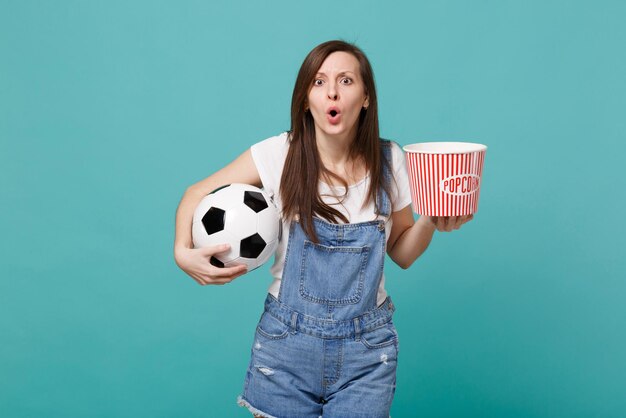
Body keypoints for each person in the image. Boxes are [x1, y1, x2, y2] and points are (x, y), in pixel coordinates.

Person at [174, 40, 472, 418]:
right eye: (319, 82)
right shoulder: (280, 154)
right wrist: (182, 252)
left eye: (346, 80)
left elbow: (402, 253)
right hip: (286, 349)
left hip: (366, 353)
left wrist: (431, 217)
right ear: (305, 99)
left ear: (365, 97)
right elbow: (195, 192)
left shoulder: (390, 160)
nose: (332, 91)